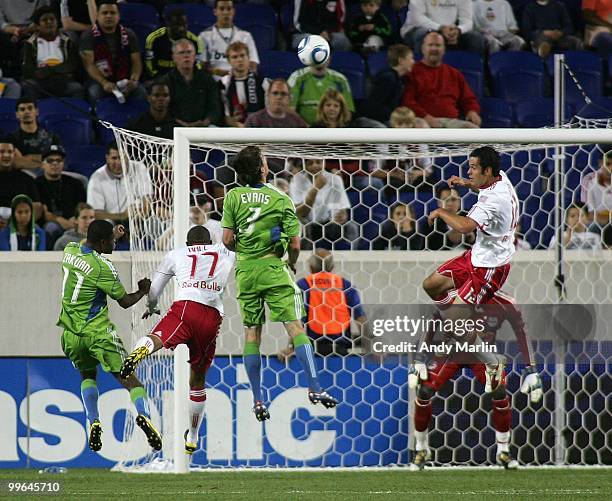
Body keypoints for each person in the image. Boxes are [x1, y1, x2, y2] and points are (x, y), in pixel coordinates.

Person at [413, 146, 522, 469]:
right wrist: (466, 183)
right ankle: (460, 324)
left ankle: (492, 361)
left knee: (460, 326)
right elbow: (483, 186)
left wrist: (441, 211)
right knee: (431, 285)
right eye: (469, 167)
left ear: (488, 170)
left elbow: (462, 227)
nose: (470, 171)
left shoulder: (493, 201)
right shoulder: (497, 181)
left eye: (474, 168)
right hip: (474, 259)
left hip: (489, 268)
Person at [221, 146, 339, 421]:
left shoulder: (233, 197)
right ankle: (315, 387)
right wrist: (291, 261)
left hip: (246, 271)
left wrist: (247, 250)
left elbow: (227, 240)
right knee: (295, 327)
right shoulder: (281, 197)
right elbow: (296, 244)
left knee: (252, 334)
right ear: (263, 169)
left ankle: (258, 399)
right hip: (274, 267)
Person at [120, 226, 235, 454]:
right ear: (209, 241)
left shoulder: (176, 254)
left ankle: (139, 353)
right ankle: (192, 436)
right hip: (212, 318)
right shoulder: (225, 252)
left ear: (187, 241)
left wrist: (152, 307)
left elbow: (154, 290)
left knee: (158, 336)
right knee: (198, 379)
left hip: (185, 307)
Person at [57, 220, 161, 453]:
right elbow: (124, 302)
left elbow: (89, 243)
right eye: (112, 241)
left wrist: (111, 233)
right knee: (130, 379)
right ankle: (144, 416)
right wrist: (143, 290)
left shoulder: (69, 251)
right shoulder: (103, 267)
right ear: (103, 242)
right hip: (98, 333)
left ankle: (93, 420)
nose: (115, 243)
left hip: (71, 335)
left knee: (88, 375)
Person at [408, 290, 543, 471]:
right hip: (451, 352)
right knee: (424, 391)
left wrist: (531, 368)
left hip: (483, 356)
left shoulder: (504, 302)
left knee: (499, 390)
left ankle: (503, 451)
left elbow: (521, 331)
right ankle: (421, 449)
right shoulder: (455, 296)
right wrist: (419, 358)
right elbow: (432, 323)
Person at [278, 248, 366, 357]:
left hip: (313, 349)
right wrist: (372, 345)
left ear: (310, 267)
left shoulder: (304, 285)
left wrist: (291, 347)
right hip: (341, 349)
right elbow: (360, 318)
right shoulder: (345, 285)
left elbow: (296, 321)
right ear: (332, 267)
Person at [401, 32, 481, 129]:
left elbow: (468, 99)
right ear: (423, 48)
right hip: (421, 120)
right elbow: (407, 101)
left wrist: (472, 111)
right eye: (430, 45)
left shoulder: (454, 73)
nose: (434, 49)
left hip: (450, 121)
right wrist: (425, 116)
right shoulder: (412, 72)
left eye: (438, 45)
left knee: (473, 130)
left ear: (444, 49)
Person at [79, 0, 146, 103]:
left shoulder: (129, 34)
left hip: (124, 78)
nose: (108, 16)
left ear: (118, 16)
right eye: (104, 13)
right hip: (98, 79)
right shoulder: (88, 36)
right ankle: (97, 119)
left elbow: (136, 61)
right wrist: (104, 83)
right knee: (95, 93)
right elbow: (89, 65)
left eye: (112, 13)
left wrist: (133, 80)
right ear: (97, 15)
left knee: (141, 91)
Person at [289, 157, 358, 249]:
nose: (315, 166)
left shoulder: (335, 179)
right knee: (300, 227)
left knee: (352, 227)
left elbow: (342, 207)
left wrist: (342, 215)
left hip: (329, 222)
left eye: (318, 162)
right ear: (304, 165)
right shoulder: (296, 181)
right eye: (310, 163)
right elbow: (300, 213)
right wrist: (315, 189)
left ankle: (350, 257)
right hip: (307, 223)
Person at [21, 6, 84, 100]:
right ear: (37, 26)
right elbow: (27, 67)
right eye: (44, 20)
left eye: (52, 19)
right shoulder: (29, 43)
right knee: (29, 86)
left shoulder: (68, 41)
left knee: (77, 89)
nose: (49, 22)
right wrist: (39, 74)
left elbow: (72, 63)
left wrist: (51, 70)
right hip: (40, 81)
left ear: (57, 22)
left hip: (63, 79)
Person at [87, 141, 153, 225]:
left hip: (138, 219)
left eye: (122, 157)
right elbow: (96, 213)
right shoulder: (96, 178)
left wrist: (141, 215)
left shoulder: (140, 168)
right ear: (107, 158)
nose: (118, 162)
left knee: (154, 222)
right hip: (112, 221)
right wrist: (122, 216)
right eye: (114, 158)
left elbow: (147, 199)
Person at [370, 107, 433, 193]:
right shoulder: (385, 142)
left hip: (414, 179)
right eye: (400, 124)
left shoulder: (420, 142)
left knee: (427, 182)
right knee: (393, 183)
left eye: (407, 123)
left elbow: (428, 169)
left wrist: (417, 173)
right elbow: (375, 171)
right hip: (393, 180)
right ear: (393, 124)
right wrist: (393, 174)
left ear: (413, 124)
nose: (404, 127)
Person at [162, 38, 223, 127]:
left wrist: (205, 122)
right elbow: (164, 110)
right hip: (174, 128)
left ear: (194, 56)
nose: (186, 56)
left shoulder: (207, 80)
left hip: (204, 128)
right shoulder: (166, 81)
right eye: (182, 53)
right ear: (174, 58)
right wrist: (180, 124)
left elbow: (215, 108)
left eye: (189, 52)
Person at [36, 144, 86, 249]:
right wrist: (61, 221)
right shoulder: (36, 184)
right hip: (52, 223)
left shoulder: (75, 183)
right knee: (51, 228)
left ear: (63, 163)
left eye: (58, 160)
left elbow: (82, 207)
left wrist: (75, 219)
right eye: (50, 160)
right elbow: (44, 213)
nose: (55, 163)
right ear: (42, 164)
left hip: (75, 222)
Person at [199, 0, 259, 78]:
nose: (225, 12)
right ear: (215, 12)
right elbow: (202, 66)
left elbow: (253, 64)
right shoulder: (204, 36)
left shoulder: (246, 36)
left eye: (229, 9)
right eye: (221, 9)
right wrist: (226, 74)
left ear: (233, 11)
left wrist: (238, 75)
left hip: (240, 79)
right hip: (214, 83)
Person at [400, 0, 484, 54]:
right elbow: (417, 18)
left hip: (448, 31)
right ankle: (421, 74)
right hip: (416, 30)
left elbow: (467, 20)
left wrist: (458, 31)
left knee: (476, 38)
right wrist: (440, 28)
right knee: (423, 35)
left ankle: (471, 77)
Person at [288, 60, 355, 126]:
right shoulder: (296, 77)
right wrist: (309, 129)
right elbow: (289, 111)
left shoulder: (341, 80)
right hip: (303, 131)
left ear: (329, 58)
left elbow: (347, 112)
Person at [144, 8, 203, 80]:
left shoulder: (194, 40)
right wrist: (156, 77)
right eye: (177, 25)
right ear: (168, 24)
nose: (181, 29)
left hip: (185, 78)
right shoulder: (154, 39)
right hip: (161, 77)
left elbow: (198, 65)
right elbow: (149, 63)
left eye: (184, 25)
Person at [363, 44, 414, 124]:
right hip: (377, 122)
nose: (413, 62)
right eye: (411, 58)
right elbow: (374, 107)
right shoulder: (387, 79)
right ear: (401, 60)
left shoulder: (399, 79)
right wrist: (397, 116)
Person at [8, 97, 61, 173]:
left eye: (30, 108)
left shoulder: (52, 137)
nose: (26, 112)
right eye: (22, 109)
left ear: (37, 112)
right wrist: (44, 160)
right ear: (17, 114)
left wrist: (27, 158)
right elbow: (16, 162)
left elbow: (57, 160)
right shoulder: (10, 139)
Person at [221, 41, 266, 128]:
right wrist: (239, 126)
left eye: (242, 55)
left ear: (248, 58)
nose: (239, 60)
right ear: (229, 61)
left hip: (258, 128)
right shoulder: (223, 83)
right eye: (235, 57)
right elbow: (222, 113)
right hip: (232, 129)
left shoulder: (262, 82)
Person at [0, 139, 41, 227]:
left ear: (14, 155)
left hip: (20, 224)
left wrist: (21, 222)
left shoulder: (26, 179)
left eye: (10, 152)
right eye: (2, 152)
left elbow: (37, 206)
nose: (6, 155)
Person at [423, 185, 476, 250]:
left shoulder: (471, 218)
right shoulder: (432, 222)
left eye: (453, 199)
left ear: (459, 201)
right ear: (439, 203)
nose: (450, 203)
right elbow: (427, 248)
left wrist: (471, 239)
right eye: (445, 199)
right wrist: (449, 239)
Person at [581, 152, 611, 244]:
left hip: (604, 218)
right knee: (593, 227)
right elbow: (588, 214)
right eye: (608, 164)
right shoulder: (589, 180)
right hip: (598, 221)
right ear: (600, 163)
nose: (611, 168)